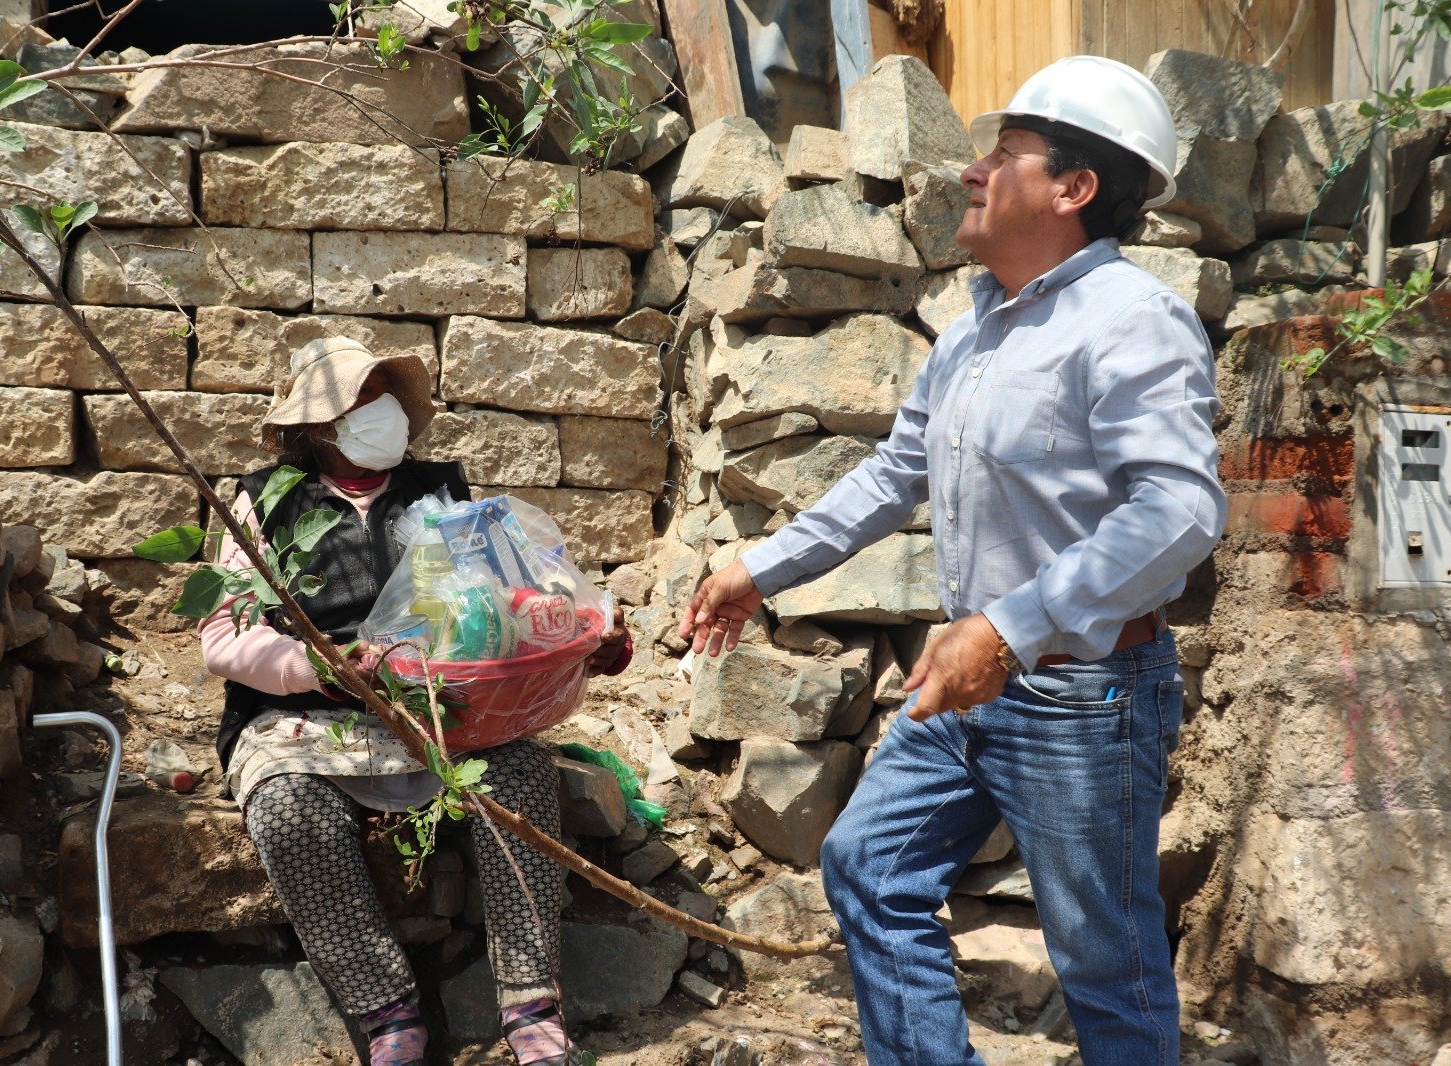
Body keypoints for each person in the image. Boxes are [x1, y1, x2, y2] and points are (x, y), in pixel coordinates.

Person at [680, 56, 1226, 1066]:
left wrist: (1009, 627)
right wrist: (763, 564)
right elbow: (892, 475)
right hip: (970, 679)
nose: (973, 173)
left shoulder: (1128, 320)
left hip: (1082, 694)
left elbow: (1181, 507)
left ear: (1072, 189)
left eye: (1004, 155)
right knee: (867, 869)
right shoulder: (971, 326)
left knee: (1105, 961)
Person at [200, 336, 630, 1066]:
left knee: (521, 773)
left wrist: (584, 632)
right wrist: (319, 666)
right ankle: (388, 1013)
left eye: (387, 399)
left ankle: (531, 1003)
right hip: (311, 715)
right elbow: (221, 637)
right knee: (287, 806)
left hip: (442, 711)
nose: (385, 415)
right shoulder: (262, 503)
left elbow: (511, 593)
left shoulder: (443, 496)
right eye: (362, 403)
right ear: (318, 427)